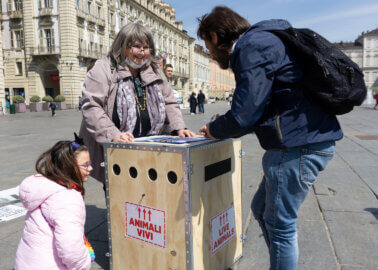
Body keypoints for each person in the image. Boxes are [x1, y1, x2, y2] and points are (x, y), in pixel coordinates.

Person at [198, 6, 343, 270]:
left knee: (280, 225)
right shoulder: (269, 38)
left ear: (216, 35)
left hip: (297, 146)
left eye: (208, 46)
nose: (210, 52)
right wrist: (223, 124)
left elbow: (245, 114)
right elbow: (259, 109)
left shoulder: (251, 46)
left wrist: (214, 130)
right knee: (261, 208)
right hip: (303, 140)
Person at [80, 23, 195, 184]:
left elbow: (169, 101)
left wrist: (179, 127)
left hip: (150, 149)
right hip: (116, 149)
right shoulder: (105, 68)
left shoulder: (154, 70)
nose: (142, 52)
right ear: (122, 46)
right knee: (121, 197)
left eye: (146, 47)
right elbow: (92, 106)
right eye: (136, 47)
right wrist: (113, 135)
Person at [14, 137, 93, 270]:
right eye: (85, 165)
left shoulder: (43, 186)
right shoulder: (68, 199)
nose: (90, 168)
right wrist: (84, 264)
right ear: (67, 167)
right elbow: (71, 249)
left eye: (90, 162)